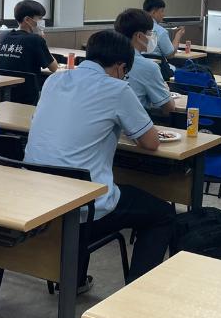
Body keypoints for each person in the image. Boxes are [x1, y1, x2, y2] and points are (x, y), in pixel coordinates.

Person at [24, 30, 175, 283]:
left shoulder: (54, 80)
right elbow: (151, 143)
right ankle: (136, 292)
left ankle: (74, 281)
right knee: (163, 214)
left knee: (80, 171)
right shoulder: (117, 88)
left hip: (39, 199)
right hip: (82, 208)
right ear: (120, 67)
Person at [0, 0, 58, 104]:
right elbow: (54, 67)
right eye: (40, 18)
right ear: (27, 19)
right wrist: (42, 41)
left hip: (2, 94)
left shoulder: (4, 36)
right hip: (28, 95)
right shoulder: (35, 39)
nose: (42, 22)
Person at [114, 8, 175, 114]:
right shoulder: (148, 67)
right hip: (135, 121)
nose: (152, 37)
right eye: (150, 33)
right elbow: (168, 108)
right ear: (139, 36)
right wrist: (166, 90)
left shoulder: (107, 59)